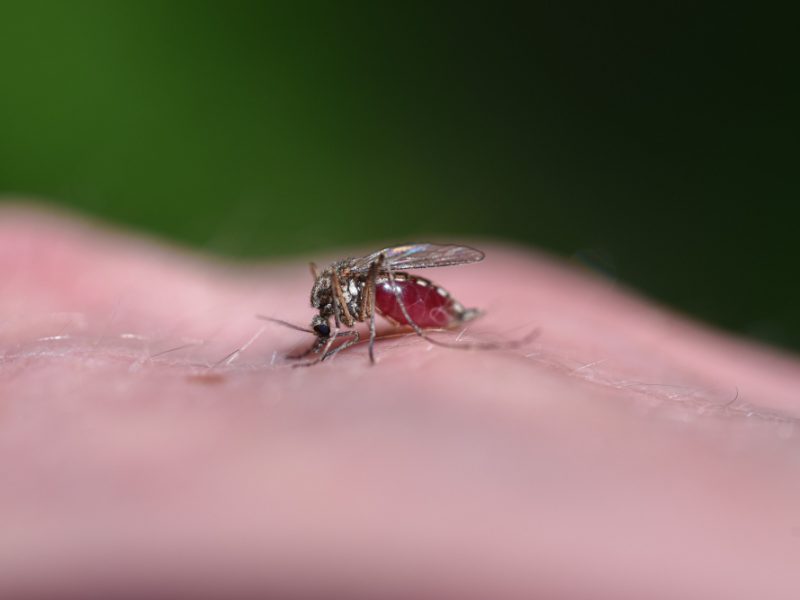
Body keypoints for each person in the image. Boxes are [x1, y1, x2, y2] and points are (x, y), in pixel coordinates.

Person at [2, 205, 799, 599]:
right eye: (329, 323)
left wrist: (382, 337)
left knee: (384, 289)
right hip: (384, 285)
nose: (326, 325)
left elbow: (379, 279)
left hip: (396, 288)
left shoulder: (359, 293)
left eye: (327, 323)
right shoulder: (338, 295)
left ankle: (444, 324)